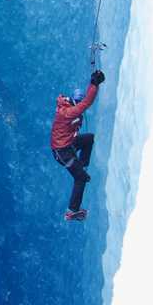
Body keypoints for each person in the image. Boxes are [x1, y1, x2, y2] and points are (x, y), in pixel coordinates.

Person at [50, 69, 105, 221]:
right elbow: (86, 103)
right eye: (78, 103)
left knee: (89, 139)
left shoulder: (68, 106)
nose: (79, 105)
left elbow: (83, 104)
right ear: (74, 102)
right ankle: (72, 210)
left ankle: (82, 164)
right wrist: (94, 84)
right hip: (62, 152)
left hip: (67, 144)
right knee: (81, 178)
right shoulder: (67, 112)